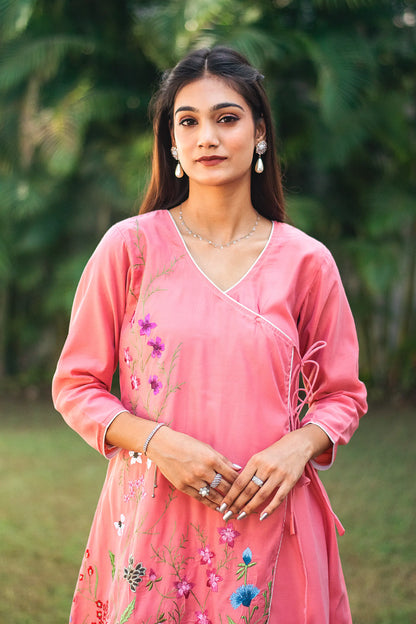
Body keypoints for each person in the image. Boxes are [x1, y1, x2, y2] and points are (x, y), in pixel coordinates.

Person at [52, 46, 367, 624]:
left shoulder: (306, 262)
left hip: (272, 519)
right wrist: (158, 442)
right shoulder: (131, 248)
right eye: (188, 121)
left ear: (259, 132)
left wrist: (297, 447)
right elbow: (76, 386)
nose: (207, 137)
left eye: (227, 118)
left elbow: (342, 396)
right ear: (171, 143)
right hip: (153, 519)